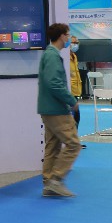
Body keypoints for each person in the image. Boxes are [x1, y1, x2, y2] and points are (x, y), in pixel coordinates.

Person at [38, 23, 81, 198]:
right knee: (74, 144)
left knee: (53, 146)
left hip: (48, 108)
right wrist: (71, 101)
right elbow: (54, 83)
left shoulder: (49, 54)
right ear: (62, 36)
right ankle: (56, 180)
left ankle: (48, 184)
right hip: (56, 110)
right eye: (68, 35)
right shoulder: (52, 56)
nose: (70, 39)